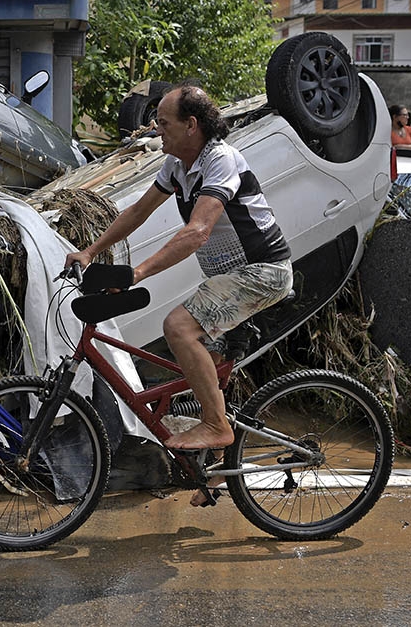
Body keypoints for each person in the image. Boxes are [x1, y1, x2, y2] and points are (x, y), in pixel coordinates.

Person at [64, 83, 293, 463]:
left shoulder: (222, 160)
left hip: (261, 271)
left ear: (191, 125)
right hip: (230, 278)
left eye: (164, 123)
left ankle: (216, 426)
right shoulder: (177, 165)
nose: (157, 130)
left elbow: (198, 231)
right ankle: (217, 470)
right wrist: (90, 251)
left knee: (178, 327)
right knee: (210, 377)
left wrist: (137, 273)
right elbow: (138, 211)